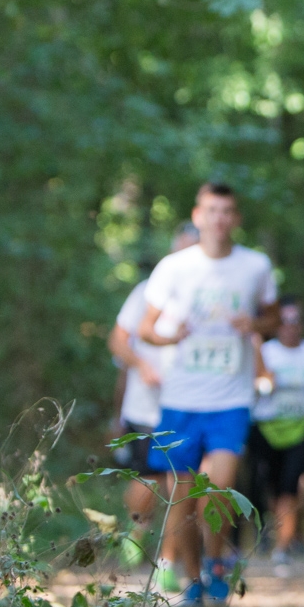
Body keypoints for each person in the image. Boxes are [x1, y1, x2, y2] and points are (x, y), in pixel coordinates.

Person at [139, 182, 279, 607]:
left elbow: (272, 319)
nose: (219, 219)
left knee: (218, 490)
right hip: (181, 399)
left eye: (227, 211)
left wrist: (253, 325)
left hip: (230, 400)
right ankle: (192, 578)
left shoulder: (255, 266)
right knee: (180, 497)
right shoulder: (174, 267)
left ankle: (218, 564)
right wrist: (170, 337)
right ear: (198, 216)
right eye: (211, 210)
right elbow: (145, 329)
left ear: (235, 219)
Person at [108, 224, 200, 561]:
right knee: (146, 482)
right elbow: (117, 341)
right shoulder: (147, 292)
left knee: (179, 484)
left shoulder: (208, 296)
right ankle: (136, 531)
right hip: (146, 408)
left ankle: (168, 560)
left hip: (191, 406)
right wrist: (142, 366)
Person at [248, 297, 304, 567]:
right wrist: (264, 383)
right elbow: (251, 384)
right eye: (284, 321)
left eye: (295, 320)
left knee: (292, 483)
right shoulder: (265, 351)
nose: (290, 327)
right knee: (271, 485)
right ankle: (282, 533)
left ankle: (284, 546)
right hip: (267, 426)